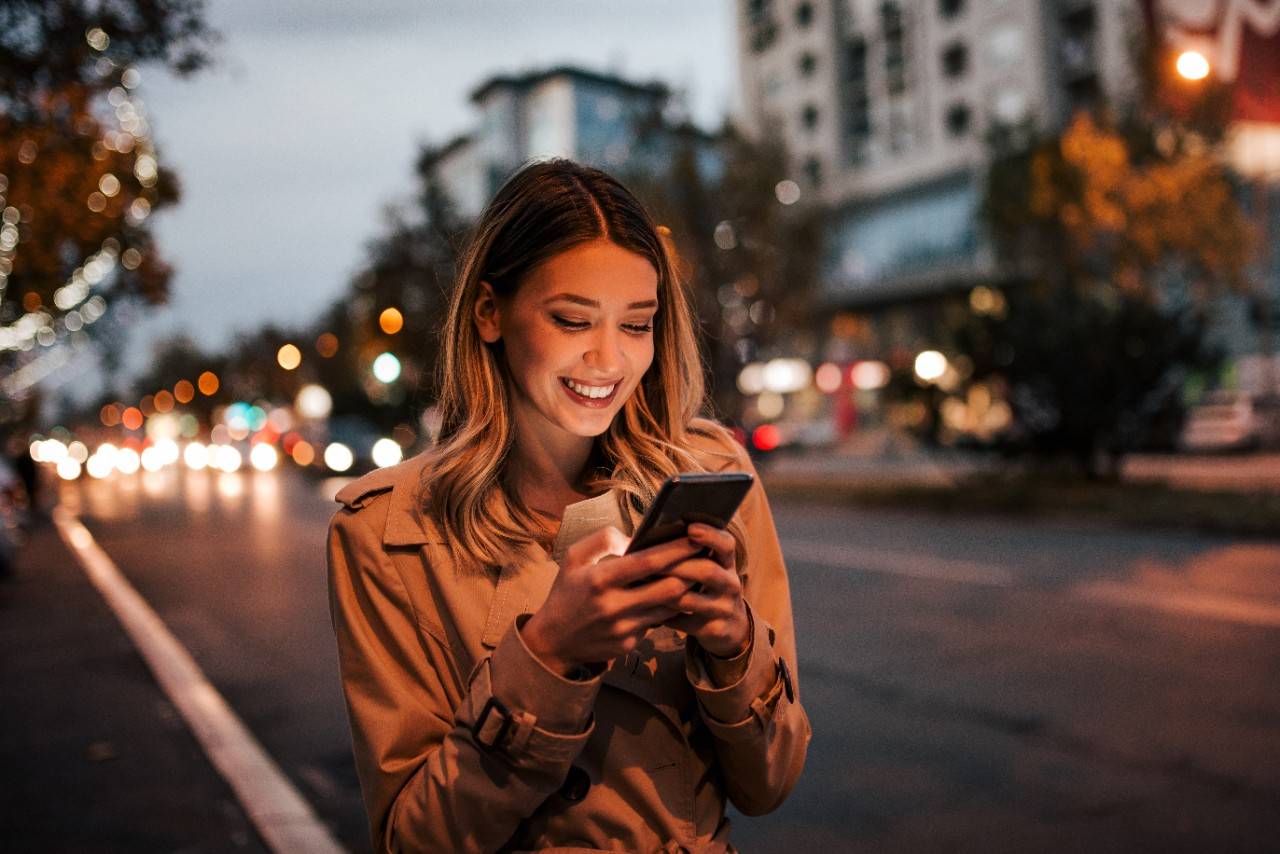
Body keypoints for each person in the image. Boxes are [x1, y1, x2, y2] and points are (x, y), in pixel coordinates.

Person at [327, 159, 810, 853]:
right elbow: (415, 841)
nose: (608, 360)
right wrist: (549, 655)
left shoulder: (711, 476)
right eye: (572, 319)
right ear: (490, 314)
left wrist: (734, 645)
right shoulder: (386, 533)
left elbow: (771, 782)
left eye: (637, 325)